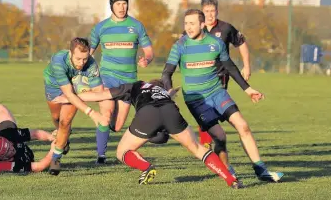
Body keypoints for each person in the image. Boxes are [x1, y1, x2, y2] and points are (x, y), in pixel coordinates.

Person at [161, 9, 284, 182]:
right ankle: (228, 170)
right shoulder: (180, 46)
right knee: (220, 137)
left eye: (192, 23)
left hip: (217, 93)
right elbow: (166, 73)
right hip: (196, 100)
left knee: (243, 126)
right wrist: (168, 90)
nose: (188, 27)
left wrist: (248, 89)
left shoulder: (216, 43)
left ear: (202, 24)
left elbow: (230, 67)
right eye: (186, 23)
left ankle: (261, 170)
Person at [52, 79, 243, 188]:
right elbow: (170, 100)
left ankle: (146, 167)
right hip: (170, 110)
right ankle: (230, 179)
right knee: (197, 148)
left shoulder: (135, 86)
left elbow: (99, 95)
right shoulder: (164, 92)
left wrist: (70, 98)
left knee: (122, 151)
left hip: (148, 113)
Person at [89, 0, 154, 164]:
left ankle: (105, 126)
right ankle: (101, 156)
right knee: (107, 111)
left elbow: (148, 51)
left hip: (128, 81)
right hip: (107, 76)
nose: (122, 7)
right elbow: (88, 54)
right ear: (112, 6)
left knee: (117, 126)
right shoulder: (101, 27)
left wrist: (146, 59)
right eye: (118, 4)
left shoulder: (137, 26)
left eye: (124, 3)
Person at [43, 37, 108, 175]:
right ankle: (63, 140)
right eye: (78, 59)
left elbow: (99, 92)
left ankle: (56, 158)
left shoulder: (90, 63)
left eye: (84, 59)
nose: (82, 63)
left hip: (74, 91)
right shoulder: (58, 60)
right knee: (55, 117)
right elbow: (68, 93)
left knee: (64, 122)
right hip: (54, 87)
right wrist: (92, 113)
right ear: (70, 53)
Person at [198, 0, 251, 148]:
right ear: (202, 12)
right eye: (206, 11)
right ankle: (209, 140)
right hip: (199, 77)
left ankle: (209, 141)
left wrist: (246, 66)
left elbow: (241, 43)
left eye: (212, 11)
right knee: (205, 109)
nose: (209, 14)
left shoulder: (226, 28)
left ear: (217, 11)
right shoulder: (195, 28)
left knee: (210, 108)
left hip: (220, 76)